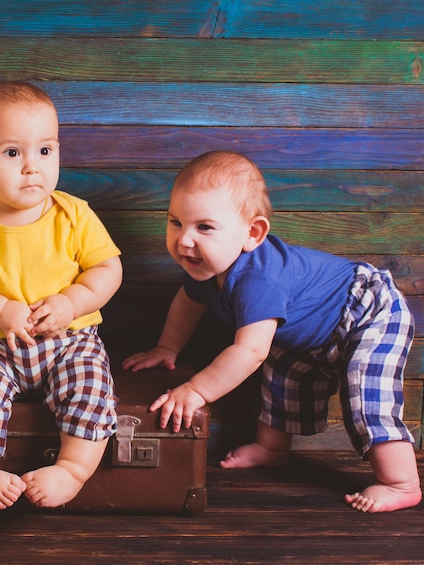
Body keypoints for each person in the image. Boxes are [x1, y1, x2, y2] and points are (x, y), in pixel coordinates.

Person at [123, 150, 421, 513]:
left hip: (368, 312)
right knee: (282, 379)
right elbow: (187, 303)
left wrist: (196, 390)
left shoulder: (258, 277)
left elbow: (249, 351)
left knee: (366, 394)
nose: (185, 240)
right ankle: (271, 449)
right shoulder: (203, 267)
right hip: (312, 336)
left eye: (204, 227)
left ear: (252, 233)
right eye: (175, 222)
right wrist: (166, 347)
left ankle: (401, 482)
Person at [0, 81, 122, 511]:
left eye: (45, 151)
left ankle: (72, 469)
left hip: (70, 341)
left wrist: (72, 302)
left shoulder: (75, 215)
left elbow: (107, 269)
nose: (32, 168)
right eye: (13, 153)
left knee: (92, 387)